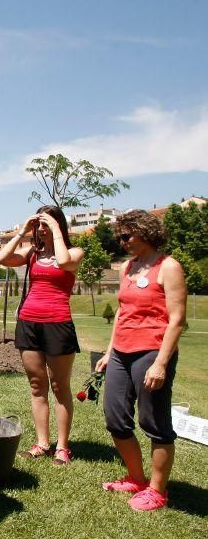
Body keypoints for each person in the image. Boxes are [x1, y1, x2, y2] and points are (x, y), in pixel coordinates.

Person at [94, 210, 186, 511]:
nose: (122, 242)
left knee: (154, 421)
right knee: (115, 417)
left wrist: (161, 363)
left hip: (152, 352)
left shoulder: (168, 266)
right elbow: (122, 312)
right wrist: (109, 351)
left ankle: (157, 491)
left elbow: (177, 320)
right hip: (121, 350)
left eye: (126, 236)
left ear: (144, 232)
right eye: (120, 236)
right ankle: (136, 478)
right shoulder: (127, 268)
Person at [0, 205, 83, 465]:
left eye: (47, 224)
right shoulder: (32, 252)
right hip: (29, 323)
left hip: (58, 324)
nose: (42, 229)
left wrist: (55, 227)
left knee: (59, 387)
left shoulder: (74, 252)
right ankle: (43, 443)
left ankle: (62, 447)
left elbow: (66, 262)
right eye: (40, 224)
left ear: (58, 225)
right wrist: (22, 232)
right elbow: (2, 258)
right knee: (37, 387)